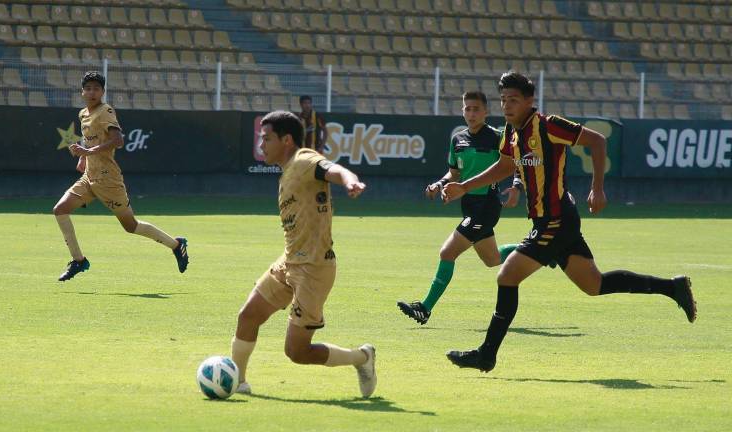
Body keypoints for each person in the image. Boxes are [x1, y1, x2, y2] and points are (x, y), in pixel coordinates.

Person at [442, 71, 696, 372]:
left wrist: (597, 188)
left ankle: (486, 355)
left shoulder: (548, 125)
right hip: (551, 220)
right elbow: (504, 167)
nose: (507, 106)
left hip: (556, 220)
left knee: (506, 276)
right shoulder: (511, 133)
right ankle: (673, 287)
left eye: (513, 100)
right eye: (503, 100)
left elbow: (597, 141)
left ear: (529, 101)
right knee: (594, 284)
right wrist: (464, 186)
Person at [231, 110, 376, 397]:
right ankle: (237, 382)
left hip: (314, 269)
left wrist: (350, 181)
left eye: (266, 138)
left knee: (297, 352)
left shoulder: (304, 160)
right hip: (289, 262)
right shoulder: (288, 169)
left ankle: (362, 357)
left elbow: (333, 169)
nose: (261, 145)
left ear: (286, 140)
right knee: (248, 316)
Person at [397, 91, 523, 325]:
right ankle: (540, 249)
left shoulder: (498, 137)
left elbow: (518, 163)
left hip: (486, 206)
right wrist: (439, 184)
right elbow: (454, 173)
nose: (471, 113)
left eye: (476, 109)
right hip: (469, 207)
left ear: (486, 112)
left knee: (447, 252)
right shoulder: (458, 139)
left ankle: (425, 308)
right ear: (462, 111)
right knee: (492, 259)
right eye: (467, 109)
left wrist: (516, 186)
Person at [52, 71, 188, 281]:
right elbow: (89, 138)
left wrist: (88, 152)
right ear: (82, 92)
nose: (92, 92)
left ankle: (176, 245)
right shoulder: (83, 114)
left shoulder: (105, 111)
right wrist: (84, 157)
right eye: (88, 88)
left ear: (103, 92)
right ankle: (78, 260)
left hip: (108, 180)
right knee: (60, 210)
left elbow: (118, 141)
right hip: (89, 177)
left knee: (130, 226)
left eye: (96, 88)